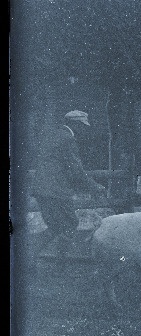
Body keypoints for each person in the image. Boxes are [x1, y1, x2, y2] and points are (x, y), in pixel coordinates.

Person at [32, 110, 106, 257]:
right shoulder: (67, 139)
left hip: (42, 189)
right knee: (70, 224)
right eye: (82, 126)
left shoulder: (53, 135)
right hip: (56, 191)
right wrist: (94, 186)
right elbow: (75, 169)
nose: (83, 130)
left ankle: (31, 253)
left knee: (56, 226)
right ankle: (60, 261)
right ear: (74, 124)